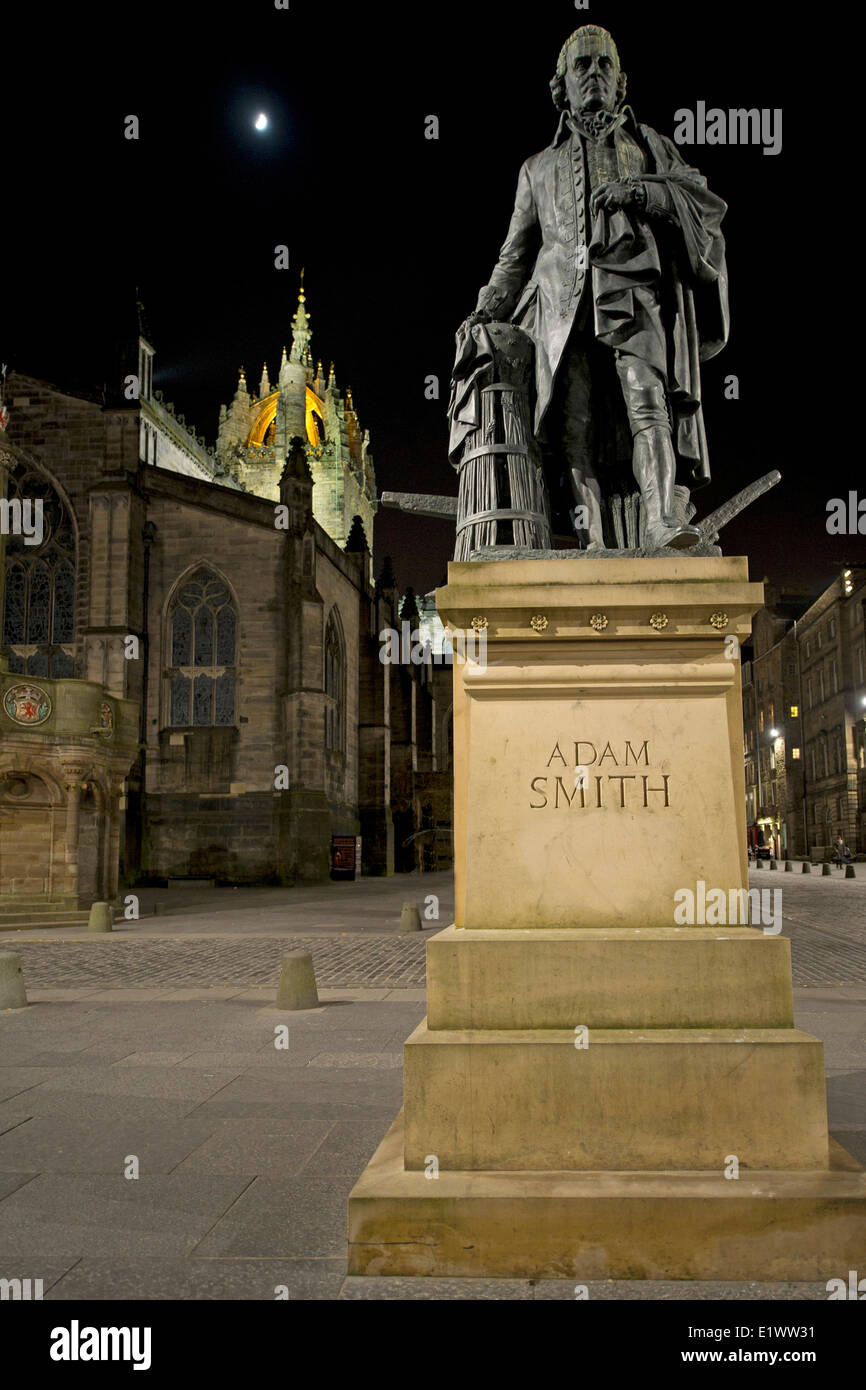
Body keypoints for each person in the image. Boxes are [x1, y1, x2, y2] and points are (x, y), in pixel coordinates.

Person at [457, 24, 729, 552]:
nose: (594, 74)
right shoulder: (536, 168)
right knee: (573, 428)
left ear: (621, 81)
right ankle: (594, 544)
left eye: (605, 64)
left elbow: (703, 203)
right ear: (561, 84)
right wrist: (484, 308)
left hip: (634, 297)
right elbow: (513, 258)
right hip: (561, 308)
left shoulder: (650, 147)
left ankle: (659, 525)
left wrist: (643, 193)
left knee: (648, 404)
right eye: (582, 65)